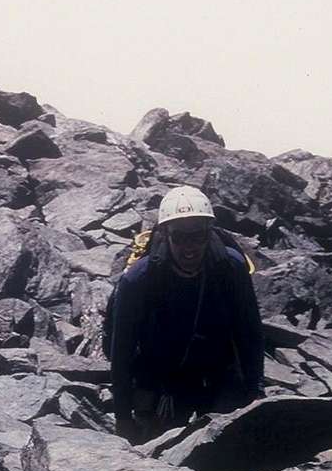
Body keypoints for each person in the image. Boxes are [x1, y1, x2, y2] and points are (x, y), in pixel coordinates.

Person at [108, 185, 264, 444]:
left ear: (209, 233)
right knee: (161, 452)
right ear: (166, 234)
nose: (189, 247)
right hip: (163, 379)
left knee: (231, 448)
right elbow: (121, 351)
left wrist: (255, 390)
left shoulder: (230, 267)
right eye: (180, 237)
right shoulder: (140, 279)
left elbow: (249, 332)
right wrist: (123, 416)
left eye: (198, 236)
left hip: (217, 371)